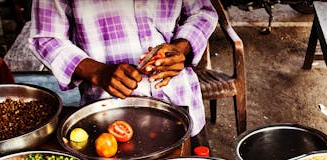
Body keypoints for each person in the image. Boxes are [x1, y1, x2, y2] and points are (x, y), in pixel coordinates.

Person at [28, 1, 218, 139]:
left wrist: (180, 47)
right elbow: (46, 37)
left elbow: (203, 12)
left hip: (181, 102)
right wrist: (97, 72)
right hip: (108, 117)